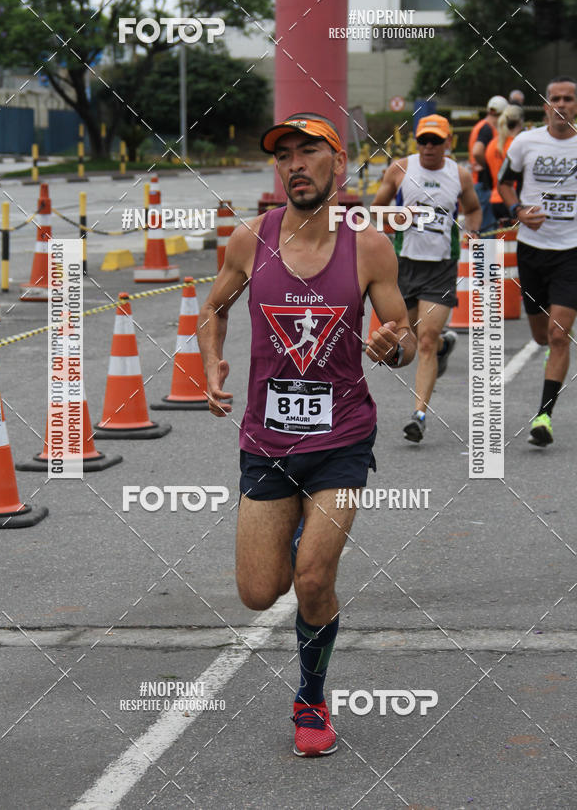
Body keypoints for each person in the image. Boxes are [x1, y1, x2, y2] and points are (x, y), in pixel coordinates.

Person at [197, 112, 416, 757]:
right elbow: (214, 307)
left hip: (343, 439)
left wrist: (390, 345)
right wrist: (211, 361)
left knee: (314, 578)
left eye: (308, 152)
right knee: (259, 592)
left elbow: (403, 338)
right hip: (267, 442)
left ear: (337, 165)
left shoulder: (369, 246)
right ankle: (297, 529)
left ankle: (311, 698)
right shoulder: (250, 239)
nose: (295, 163)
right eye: (283, 154)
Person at [371, 114, 482, 442]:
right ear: (416, 142)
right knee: (408, 341)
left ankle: (418, 414)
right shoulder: (400, 169)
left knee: (427, 341)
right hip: (402, 266)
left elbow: (473, 209)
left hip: (440, 267)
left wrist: (471, 231)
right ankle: (446, 346)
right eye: (423, 140)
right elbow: (376, 208)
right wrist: (399, 216)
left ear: (448, 142)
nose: (429, 147)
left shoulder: (458, 175)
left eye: (436, 141)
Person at [498, 75, 577, 446]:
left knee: (559, 336)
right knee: (540, 335)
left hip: (571, 252)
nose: (562, 105)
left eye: (569, 99)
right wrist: (517, 209)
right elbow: (504, 182)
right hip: (531, 249)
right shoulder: (525, 142)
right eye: (556, 99)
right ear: (546, 106)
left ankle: (544, 414)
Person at [469, 95, 508, 232]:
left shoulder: (480, 126)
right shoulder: (488, 129)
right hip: (484, 184)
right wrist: (488, 166)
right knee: (486, 229)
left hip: (478, 182)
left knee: (480, 228)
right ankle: (486, 254)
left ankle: (482, 253)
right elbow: (477, 151)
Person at [485, 104, 524, 226]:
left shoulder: (492, 144)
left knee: (500, 242)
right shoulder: (519, 144)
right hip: (512, 199)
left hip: (495, 199)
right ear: (520, 121)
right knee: (513, 241)